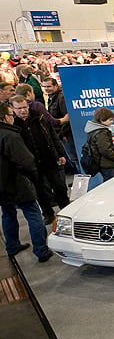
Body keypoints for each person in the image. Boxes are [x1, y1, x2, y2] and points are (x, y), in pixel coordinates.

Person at [0, 102, 52, 263]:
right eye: (11, 114)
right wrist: (34, 177)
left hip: (2, 185)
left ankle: (12, 246)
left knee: (7, 214)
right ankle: (41, 250)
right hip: (16, 182)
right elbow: (26, 161)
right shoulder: (10, 136)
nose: (13, 117)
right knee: (33, 213)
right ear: (5, 117)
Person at [10, 95, 69, 226]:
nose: (22, 110)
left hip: (49, 158)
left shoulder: (39, 117)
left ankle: (66, 210)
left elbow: (52, 135)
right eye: (18, 108)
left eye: (24, 107)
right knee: (40, 190)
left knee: (59, 185)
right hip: (30, 163)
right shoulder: (13, 125)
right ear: (13, 109)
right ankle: (48, 213)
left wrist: (60, 154)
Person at [85, 107, 114, 182]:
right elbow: (105, 150)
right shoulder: (102, 133)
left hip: (99, 162)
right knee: (110, 182)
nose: (112, 121)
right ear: (102, 120)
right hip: (106, 163)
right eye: (110, 120)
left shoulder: (93, 130)